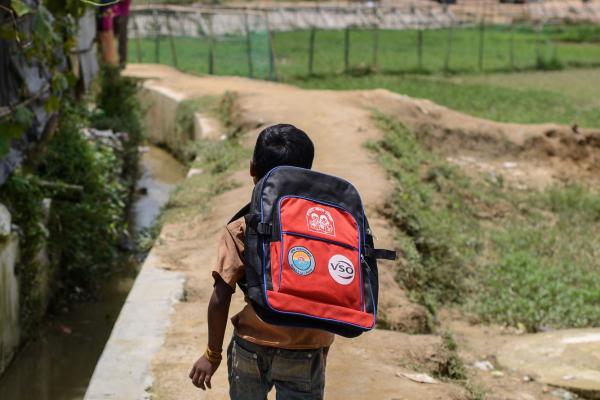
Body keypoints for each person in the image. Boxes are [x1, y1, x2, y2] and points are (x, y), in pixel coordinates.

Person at [189, 124, 333, 400]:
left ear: (251, 168)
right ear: (307, 173)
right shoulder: (324, 228)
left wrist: (212, 354)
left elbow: (221, 296)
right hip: (307, 347)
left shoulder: (242, 228)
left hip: (251, 346)